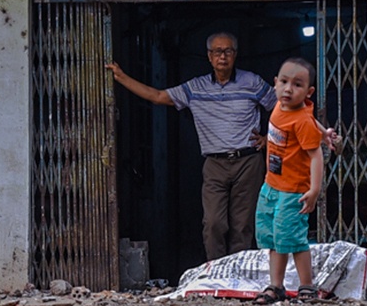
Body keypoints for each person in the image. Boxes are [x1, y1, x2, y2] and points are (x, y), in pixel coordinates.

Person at [107, 31, 274, 261]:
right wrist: (122, 77)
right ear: (209, 56)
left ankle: (238, 274)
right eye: (217, 51)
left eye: (227, 51)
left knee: (242, 224)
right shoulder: (196, 88)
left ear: (235, 55)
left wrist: (269, 138)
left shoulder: (252, 82)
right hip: (215, 163)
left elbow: (281, 105)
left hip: (248, 161)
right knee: (214, 223)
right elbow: (158, 96)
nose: (222, 56)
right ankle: (216, 270)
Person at [255, 57, 325, 304]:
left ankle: (307, 286)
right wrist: (324, 132)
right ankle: (276, 286)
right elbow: (311, 116)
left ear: (309, 91)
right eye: (283, 82)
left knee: (294, 240)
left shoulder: (301, 120)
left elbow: (316, 156)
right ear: (275, 84)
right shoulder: (280, 105)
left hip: (293, 190)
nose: (288, 89)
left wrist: (314, 190)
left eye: (297, 85)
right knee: (275, 240)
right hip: (272, 186)